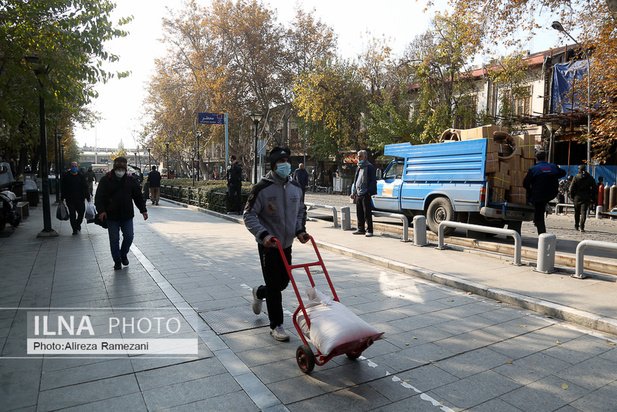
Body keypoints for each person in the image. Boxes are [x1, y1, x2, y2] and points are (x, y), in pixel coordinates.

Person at [244, 147, 309, 342]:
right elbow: (248, 215)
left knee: (282, 283)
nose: (285, 165)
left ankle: (259, 292)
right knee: (274, 285)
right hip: (269, 244)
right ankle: (276, 325)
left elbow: (300, 211)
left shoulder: (296, 187)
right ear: (273, 166)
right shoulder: (261, 188)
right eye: (281, 162)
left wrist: (300, 230)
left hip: (287, 243)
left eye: (287, 161)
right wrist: (263, 234)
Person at [95, 157, 148, 270]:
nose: (120, 171)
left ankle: (123, 253)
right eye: (118, 168)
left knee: (129, 236)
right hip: (111, 215)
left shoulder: (131, 180)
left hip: (127, 215)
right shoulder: (106, 179)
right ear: (114, 167)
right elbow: (99, 197)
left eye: (122, 168)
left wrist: (143, 210)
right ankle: (117, 260)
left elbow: (138, 196)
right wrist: (101, 211)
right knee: (114, 239)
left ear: (125, 168)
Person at [522, 151, 566, 235]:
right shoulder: (553, 167)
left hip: (538, 195)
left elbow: (525, 183)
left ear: (536, 159)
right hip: (551, 193)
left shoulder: (533, 169)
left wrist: (530, 190)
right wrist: (553, 176)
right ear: (545, 158)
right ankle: (538, 222)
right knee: (541, 208)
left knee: (539, 215)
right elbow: (563, 173)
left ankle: (542, 234)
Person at [350, 150, 377, 237]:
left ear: (365, 157)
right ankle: (360, 229)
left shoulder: (369, 167)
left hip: (365, 193)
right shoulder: (358, 167)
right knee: (359, 213)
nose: (358, 158)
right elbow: (356, 180)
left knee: (367, 213)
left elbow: (373, 180)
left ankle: (369, 230)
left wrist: (369, 191)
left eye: (360, 156)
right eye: (358, 156)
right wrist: (354, 192)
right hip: (358, 193)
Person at [60, 161, 90, 235]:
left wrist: (88, 197)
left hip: (80, 198)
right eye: (72, 166)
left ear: (77, 167)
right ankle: (74, 229)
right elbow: (63, 188)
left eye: (75, 166)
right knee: (72, 214)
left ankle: (78, 223)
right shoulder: (66, 176)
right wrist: (62, 198)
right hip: (70, 199)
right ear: (70, 167)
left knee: (81, 213)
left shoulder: (81, 176)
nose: (74, 168)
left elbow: (85, 187)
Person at [569, 164, 596, 232]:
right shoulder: (590, 177)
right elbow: (594, 188)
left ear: (579, 170)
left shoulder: (576, 177)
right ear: (585, 169)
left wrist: (571, 196)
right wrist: (592, 197)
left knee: (577, 212)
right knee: (583, 212)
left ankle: (576, 225)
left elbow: (572, 188)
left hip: (577, 197)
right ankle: (582, 227)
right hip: (586, 196)